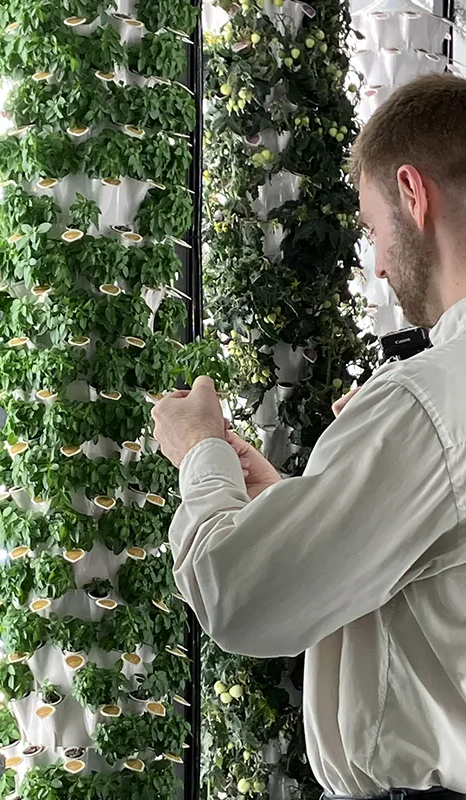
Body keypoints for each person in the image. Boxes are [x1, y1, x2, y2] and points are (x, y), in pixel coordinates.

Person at [152, 73, 466, 800]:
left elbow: (239, 595)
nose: (380, 264)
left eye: (372, 230)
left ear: (414, 196)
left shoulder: (428, 401)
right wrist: (305, 505)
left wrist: (198, 449)